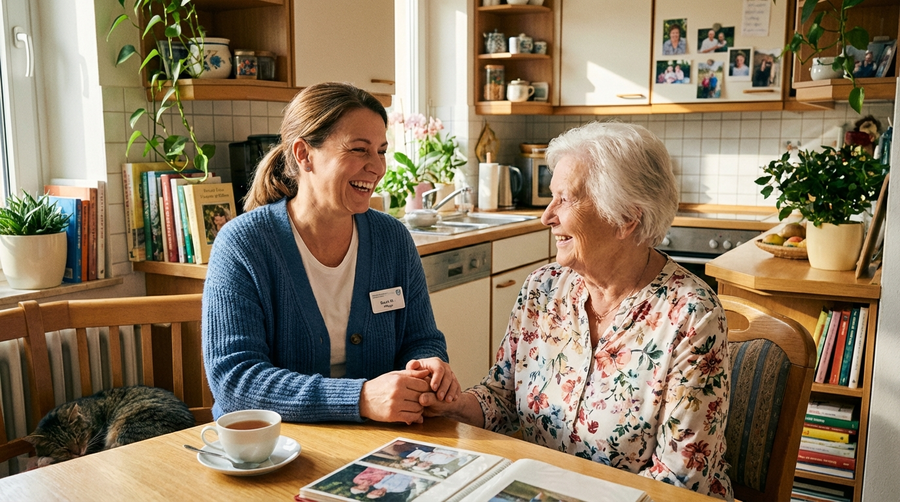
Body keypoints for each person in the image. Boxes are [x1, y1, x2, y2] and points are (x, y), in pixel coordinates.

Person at [422, 122, 733, 500]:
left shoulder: (691, 315)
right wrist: (453, 402)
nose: (546, 216)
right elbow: (501, 400)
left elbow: (679, 482)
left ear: (625, 219)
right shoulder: (543, 288)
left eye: (564, 200)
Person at [202, 82, 460, 424]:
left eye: (381, 150)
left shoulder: (392, 239)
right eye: (359, 149)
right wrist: (360, 398)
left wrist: (428, 368)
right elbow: (235, 381)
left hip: (379, 441)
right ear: (304, 154)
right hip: (274, 450)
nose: (378, 167)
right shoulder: (244, 245)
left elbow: (421, 338)